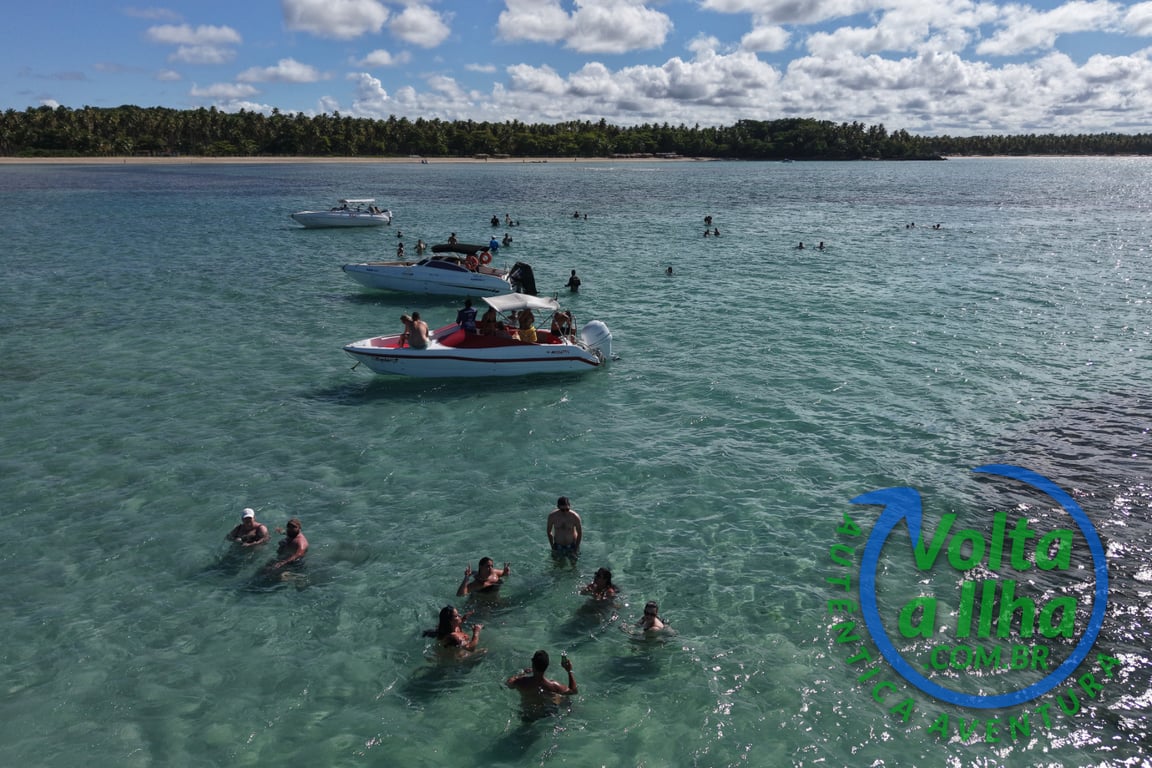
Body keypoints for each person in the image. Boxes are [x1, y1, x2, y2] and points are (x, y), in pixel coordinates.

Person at [506, 650, 577, 717]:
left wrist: (522, 673)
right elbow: (573, 691)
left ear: (532, 662)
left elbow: (508, 683)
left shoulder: (521, 682)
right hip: (547, 715)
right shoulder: (553, 686)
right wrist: (569, 671)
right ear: (547, 665)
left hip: (528, 715)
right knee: (564, 699)